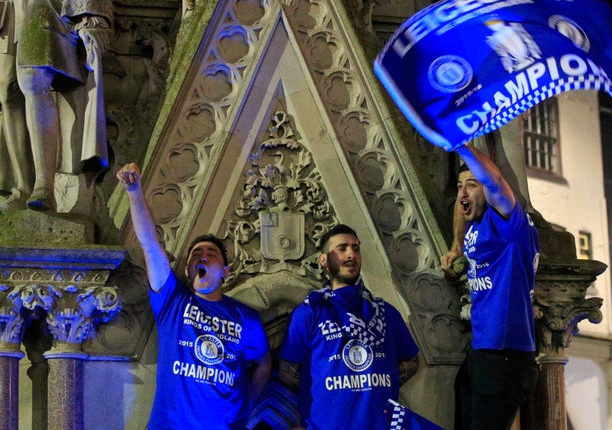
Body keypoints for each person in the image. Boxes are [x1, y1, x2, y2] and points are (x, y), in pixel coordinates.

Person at [116, 162, 272, 430]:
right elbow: (150, 246)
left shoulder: (245, 317)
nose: (202, 256)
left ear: (224, 271)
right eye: (196, 255)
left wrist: (247, 407)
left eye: (211, 253)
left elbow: (264, 363)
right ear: (188, 271)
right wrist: (134, 192)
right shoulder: (173, 302)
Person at [278, 224, 420, 430]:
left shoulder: (386, 312)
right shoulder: (310, 312)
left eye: (356, 248)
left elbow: (413, 360)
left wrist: (372, 382)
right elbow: (286, 371)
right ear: (324, 260)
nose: (351, 254)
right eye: (342, 248)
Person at [440, 143, 540, 430]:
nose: (462, 193)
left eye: (472, 185)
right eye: (459, 185)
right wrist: (456, 244)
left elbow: (494, 181)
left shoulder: (510, 224)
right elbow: (464, 204)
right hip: (483, 350)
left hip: (506, 356)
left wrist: (460, 142)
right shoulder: (477, 223)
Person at [0, 0, 112, 212]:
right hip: (8, 0)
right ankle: (21, 185)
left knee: (32, 75)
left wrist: (93, 14)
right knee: (8, 91)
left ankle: (44, 183)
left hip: (47, 0)